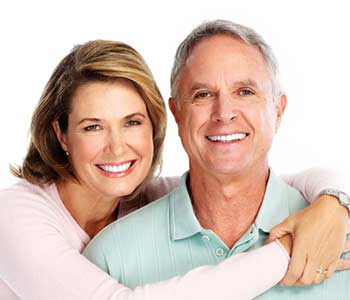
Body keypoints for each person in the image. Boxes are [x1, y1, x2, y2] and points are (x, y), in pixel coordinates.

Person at [0, 40, 347, 300]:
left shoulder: (142, 196)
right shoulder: (14, 215)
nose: (117, 147)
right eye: (93, 127)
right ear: (60, 133)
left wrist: (334, 205)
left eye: (132, 122)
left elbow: (268, 181)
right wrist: (289, 251)